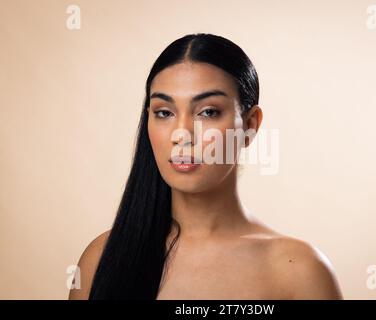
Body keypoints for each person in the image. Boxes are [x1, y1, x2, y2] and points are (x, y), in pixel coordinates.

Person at [68, 33, 343, 300]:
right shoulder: (101, 259)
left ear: (249, 125)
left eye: (208, 112)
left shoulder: (299, 272)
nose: (182, 134)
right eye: (164, 112)